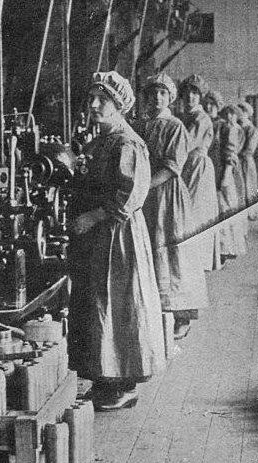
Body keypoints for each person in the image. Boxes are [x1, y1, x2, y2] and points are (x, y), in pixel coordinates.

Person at [68, 70, 165, 411]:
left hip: (117, 235)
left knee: (118, 304)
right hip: (98, 236)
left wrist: (91, 216)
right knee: (98, 304)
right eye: (92, 98)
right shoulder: (101, 140)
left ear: (119, 104)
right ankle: (103, 377)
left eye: (103, 100)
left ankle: (124, 383)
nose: (94, 105)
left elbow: (130, 195)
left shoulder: (127, 142)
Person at [139, 73, 209, 340]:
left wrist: (144, 186)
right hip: (147, 197)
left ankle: (181, 314)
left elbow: (171, 167)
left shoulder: (176, 127)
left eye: (163, 94)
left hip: (167, 194)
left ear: (170, 97)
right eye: (153, 93)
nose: (157, 98)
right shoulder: (142, 126)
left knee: (172, 247)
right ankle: (156, 311)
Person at [177, 74, 221, 272]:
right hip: (187, 165)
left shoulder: (200, 118)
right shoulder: (187, 116)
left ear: (200, 96)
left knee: (195, 211)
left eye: (195, 93)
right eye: (187, 93)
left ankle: (197, 261)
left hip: (197, 166)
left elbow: (186, 145)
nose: (190, 97)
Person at [215, 104, 248, 257]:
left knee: (226, 205)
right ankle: (227, 246)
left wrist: (226, 175)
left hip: (227, 170)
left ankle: (227, 247)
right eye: (227, 114)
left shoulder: (233, 129)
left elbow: (230, 152)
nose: (229, 117)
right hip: (224, 167)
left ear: (237, 116)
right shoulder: (224, 127)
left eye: (232, 114)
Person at [237, 101, 258, 206]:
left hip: (246, 161)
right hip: (237, 160)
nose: (240, 114)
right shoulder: (236, 127)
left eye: (243, 111)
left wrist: (235, 153)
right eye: (239, 111)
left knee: (248, 185)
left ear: (247, 114)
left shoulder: (252, 129)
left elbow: (249, 149)